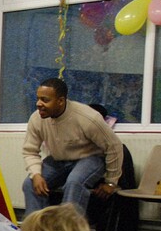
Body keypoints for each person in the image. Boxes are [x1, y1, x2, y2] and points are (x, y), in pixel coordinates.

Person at [22, 77, 123, 218]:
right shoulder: (36, 119)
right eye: (38, 99)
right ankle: (38, 230)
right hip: (59, 161)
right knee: (30, 184)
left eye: (45, 100)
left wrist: (111, 182)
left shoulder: (87, 117)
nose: (39, 104)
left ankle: (68, 230)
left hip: (90, 158)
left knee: (74, 182)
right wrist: (36, 174)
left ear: (60, 101)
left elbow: (114, 147)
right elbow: (30, 151)